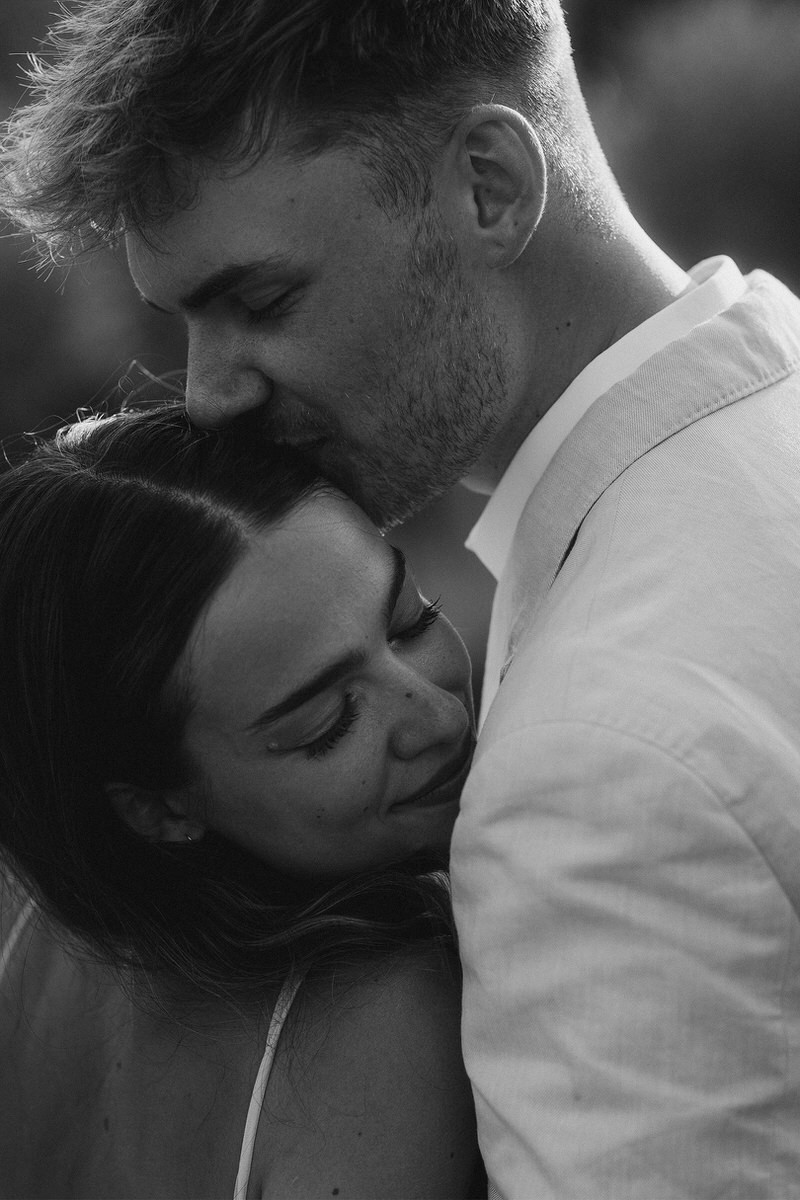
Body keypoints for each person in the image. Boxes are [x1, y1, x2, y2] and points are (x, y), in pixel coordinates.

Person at [4, 1, 800, 1196]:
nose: (207, 395)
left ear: (486, 184)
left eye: (261, 302)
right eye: (183, 324)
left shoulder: (592, 771)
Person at [0, 403, 483, 1199]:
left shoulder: (32, 914)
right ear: (159, 810)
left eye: (410, 619)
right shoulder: (385, 1013)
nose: (438, 718)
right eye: (327, 724)